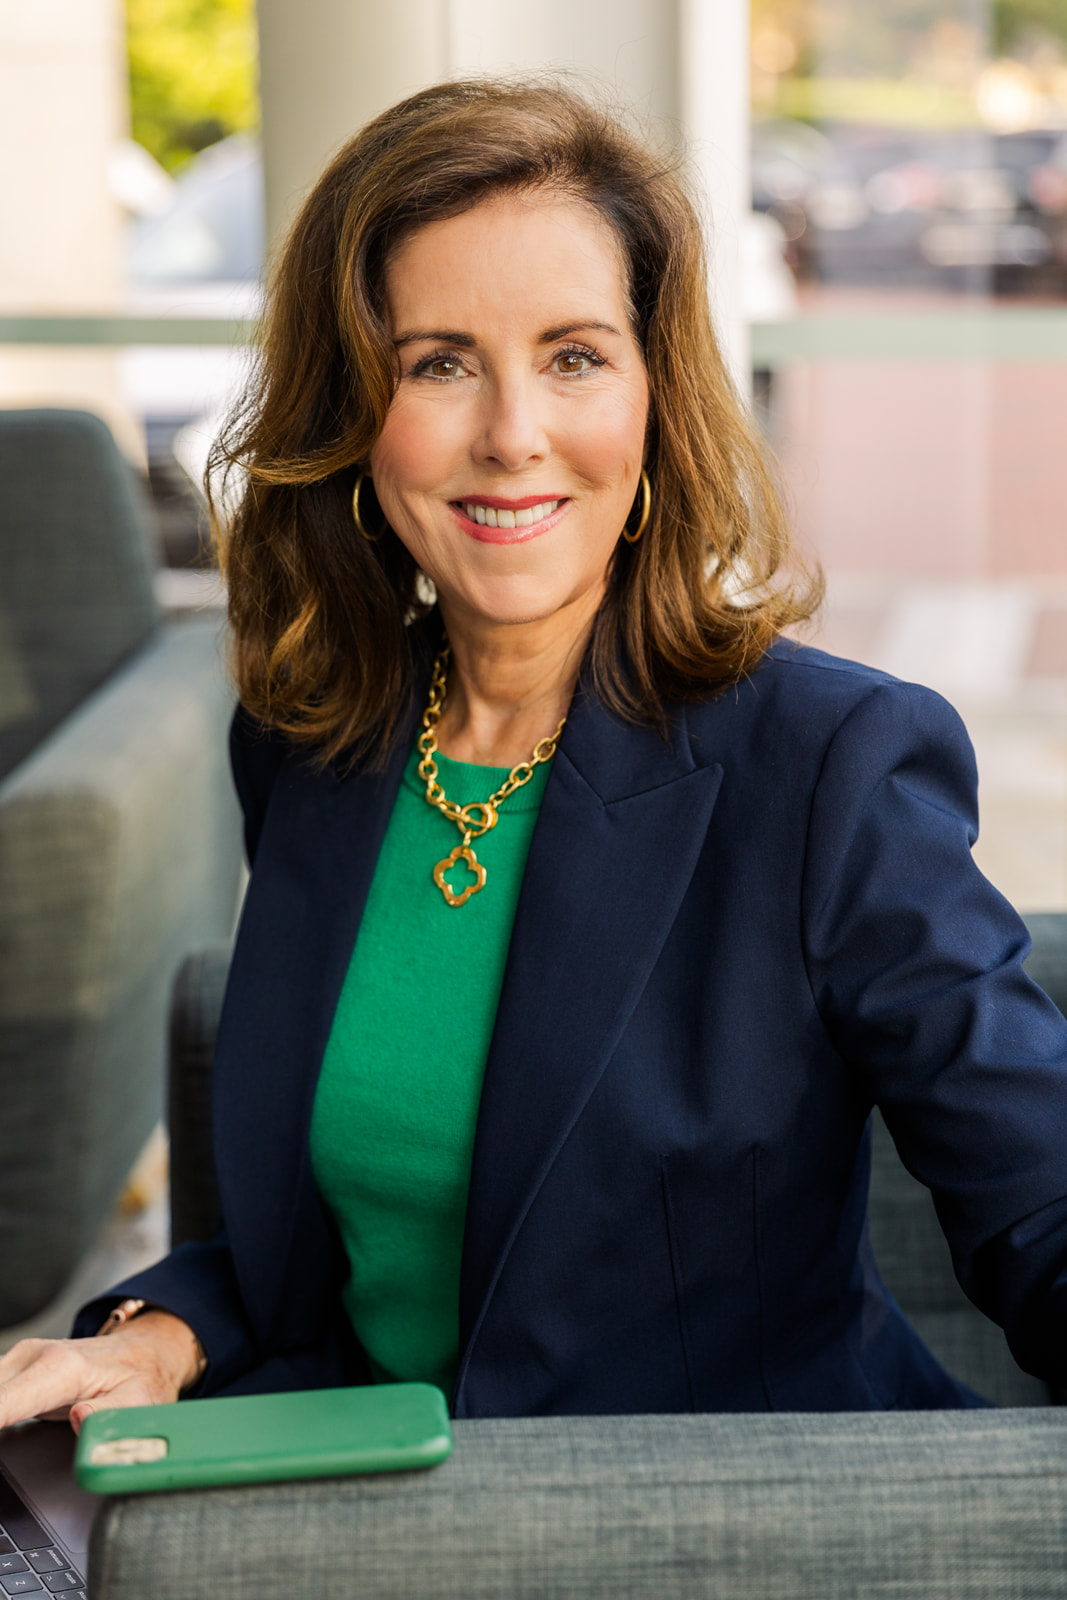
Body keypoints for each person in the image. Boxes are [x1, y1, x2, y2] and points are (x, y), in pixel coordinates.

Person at [3, 78, 1067, 1431]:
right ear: (352, 413)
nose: (512, 435)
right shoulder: (312, 743)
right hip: (376, 1514)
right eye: (439, 361)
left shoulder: (834, 764)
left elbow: (1044, 1198)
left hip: (738, 1539)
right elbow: (346, 1241)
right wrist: (160, 1335)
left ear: (652, 398)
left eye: (573, 355)